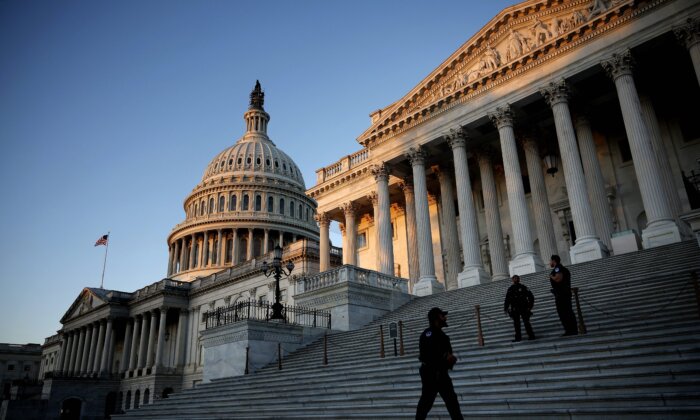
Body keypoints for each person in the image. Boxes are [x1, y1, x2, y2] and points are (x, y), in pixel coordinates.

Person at [416, 307, 463, 420]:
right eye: (442, 316)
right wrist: (445, 358)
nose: (445, 318)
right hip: (430, 375)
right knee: (426, 403)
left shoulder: (444, 337)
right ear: (436, 318)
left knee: (452, 403)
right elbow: (426, 356)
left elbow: (446, 355)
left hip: (442, 374)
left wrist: (450, 360)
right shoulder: (427, 334)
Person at [549, 255, 578, 336]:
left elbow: (558, 279)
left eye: (550, 261)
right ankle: (571, 330)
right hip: (563, 293)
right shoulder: (561, 268)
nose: (549, 263)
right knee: (567, 311)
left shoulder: (558, 268)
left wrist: (551, 276)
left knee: (564, 312)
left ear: (554, 261)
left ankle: (570, 330)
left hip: (562, 294)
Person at [504, 275, 536, 342]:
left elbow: (531, 296)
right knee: (516, 324)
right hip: (515, 309)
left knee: (526, 322)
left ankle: (531, 335)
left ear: (519, 279)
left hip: (524, 308)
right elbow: (507, 300)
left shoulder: (523, 287)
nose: (516, 279)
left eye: (517, 278)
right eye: (514, 278)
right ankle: (518, 337)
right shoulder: (510, 289)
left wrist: (530, 306)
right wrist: (506, 308)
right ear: (512, 280)